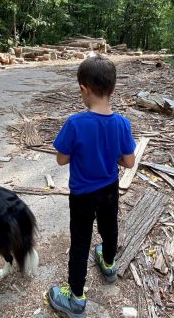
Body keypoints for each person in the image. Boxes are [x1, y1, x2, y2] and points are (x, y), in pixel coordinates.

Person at [47, 55, 136, 317]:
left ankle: (76, 298)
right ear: (112, 89)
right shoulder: (122, 123)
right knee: (110, 229)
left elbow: (62, 159)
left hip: (82, 195)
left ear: (84, 89)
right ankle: (109, 264)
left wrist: (80, 150)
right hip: (109, 189)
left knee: (80, 242)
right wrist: (115, 156)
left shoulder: (75, 123)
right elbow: (129, 162)